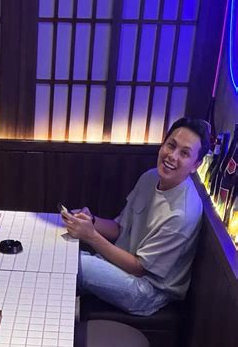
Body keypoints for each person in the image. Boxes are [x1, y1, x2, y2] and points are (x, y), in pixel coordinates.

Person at [63, 118, 211, 315]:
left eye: (184, 153)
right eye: (171, 145)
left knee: (76, 264)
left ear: (196, 165)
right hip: (121, 265)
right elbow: (120, 228)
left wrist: (91, 236)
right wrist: (91, 221)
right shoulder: (150, 177)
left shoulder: (182, 213)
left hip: (148, 290)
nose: (172, 156)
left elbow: (139, 268)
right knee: (65, 256)